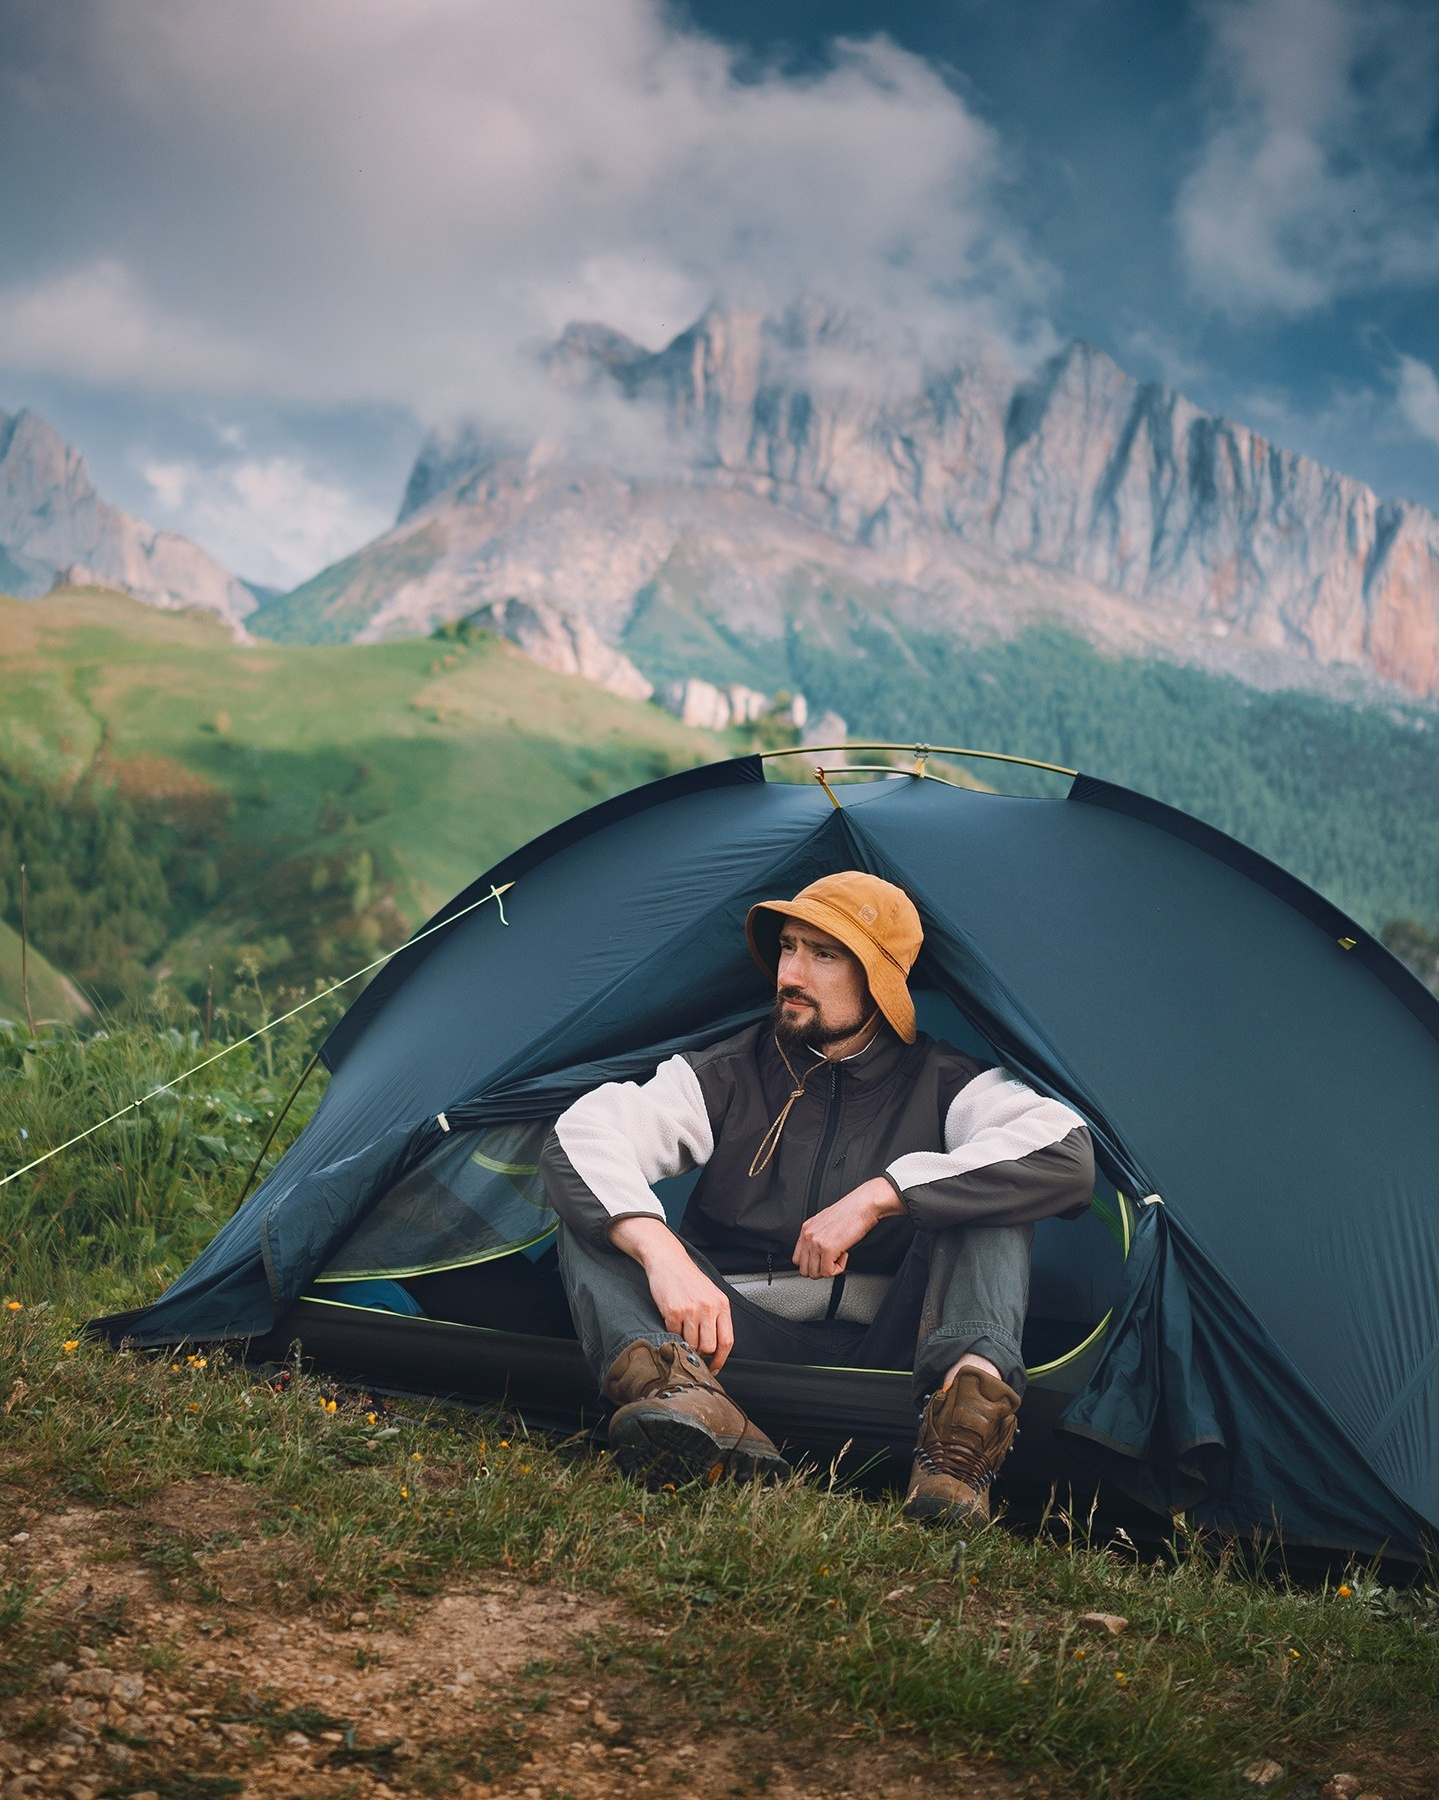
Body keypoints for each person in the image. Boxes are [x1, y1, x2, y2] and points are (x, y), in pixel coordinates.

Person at [540, 871, 1094, 1523]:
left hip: (898, 1358)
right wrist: (660, 1252)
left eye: (824, 954)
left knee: (995, 1195)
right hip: (726, 1350)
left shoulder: (947, 1082)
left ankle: (958, 1454)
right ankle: (681, 1406)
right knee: (595, 1207)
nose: (791, 973)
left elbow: (1063, 1151)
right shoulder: (726, 1072)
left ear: (880, 981)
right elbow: (582, 1132)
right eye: (788, 948)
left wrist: (882, 1195)